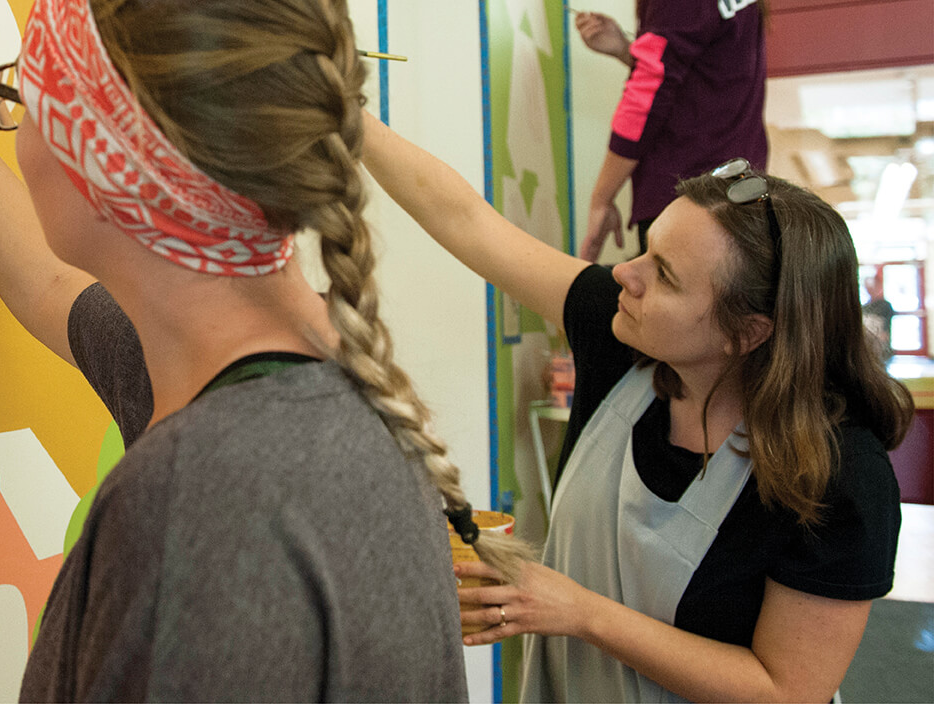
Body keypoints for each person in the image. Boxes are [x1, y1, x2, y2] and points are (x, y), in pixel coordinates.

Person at [0, 0, 529, 699]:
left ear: (111, 165)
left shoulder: (194, 497)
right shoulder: (297, 388)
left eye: (24, 95)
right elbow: (48, 283)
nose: (19, 125)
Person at [362, 114, 909, 702]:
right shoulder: (621, 333)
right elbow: (465, 220)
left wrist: (579, 612)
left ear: (747, 333)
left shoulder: (840, 474)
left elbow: (785, 689)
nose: (626, 273)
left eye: (665, 276)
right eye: (646, 251)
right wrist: (346, 112)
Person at [575, 1, 769, 261]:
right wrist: (626, 50)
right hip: (733, 192)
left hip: (688, 197)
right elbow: (705, 77)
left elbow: (647, 95)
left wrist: (601, 198)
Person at [862, 271, 895, 365]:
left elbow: (883, 333)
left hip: (880, 350)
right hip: (869, 351)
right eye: (867, 288)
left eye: (871, 287)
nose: (869, 290)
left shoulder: (885, 306)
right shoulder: (865, 307)